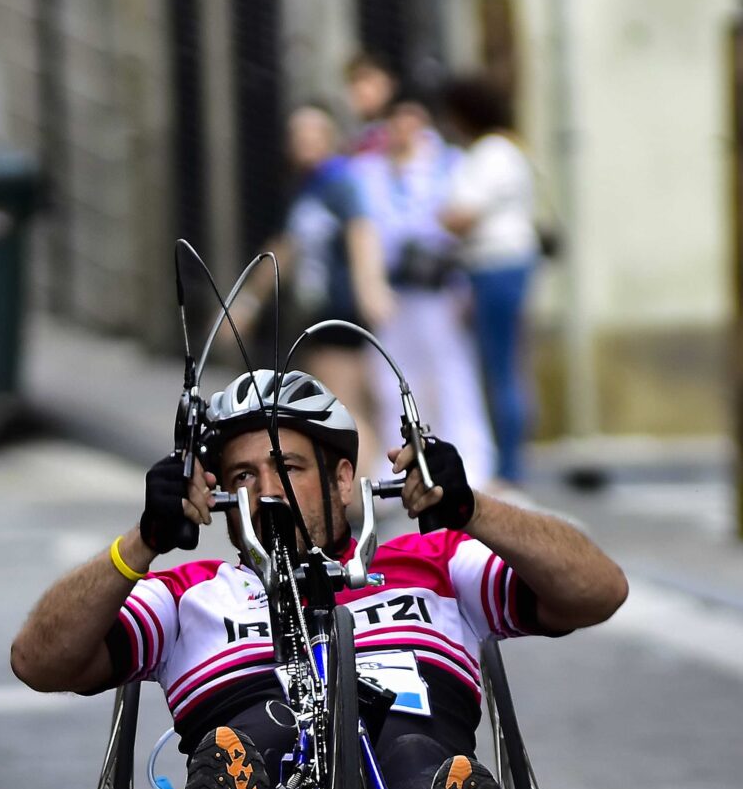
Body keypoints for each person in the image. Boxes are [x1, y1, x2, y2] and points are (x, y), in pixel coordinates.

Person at [8, 371, 625, 789]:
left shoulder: (434, 565)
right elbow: (39, 661)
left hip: (409, 758)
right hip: (258, 758)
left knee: (413, 752)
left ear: (341, 479)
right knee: (253, 745)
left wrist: (471, 510)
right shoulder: (189, 594)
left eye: (288, 468)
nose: (266, 492)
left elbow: (598, 591)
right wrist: (140, 542)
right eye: (244, 477)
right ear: (220, 496)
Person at [225, 103, 394, 462]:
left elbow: (361, 232)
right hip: (318, 311)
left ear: (331, 138)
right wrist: (247, 304)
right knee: (343, 398)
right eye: (298, 134)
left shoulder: (339, 182)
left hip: (341, 309)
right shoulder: (305, 188)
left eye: (314, 132)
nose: (305, 141)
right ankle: (369, 487)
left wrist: (370, 287)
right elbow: (282, 250)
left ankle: (365, 494)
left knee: (341, 401)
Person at [352, 95, 494, 474]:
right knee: (393, 379)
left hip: (439, 288)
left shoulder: (447, 164)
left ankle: (469, 460)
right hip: (397, 290)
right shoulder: (369, 170)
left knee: (450, 376)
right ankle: (398, 460)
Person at [438, 75, 542, 487]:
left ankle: (510, 465)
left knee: (501, 365)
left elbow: (463, 215)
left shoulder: (492, 153)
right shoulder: (503, 150)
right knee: (504, 364)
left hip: (497, 265)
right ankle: (509, 459)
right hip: (500, 265)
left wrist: (441, 216)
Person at [342, 51, 398, 158]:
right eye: (353, 81)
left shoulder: (407, 136)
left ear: (390, 84)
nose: (361, 89)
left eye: (368, 79)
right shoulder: (351, 141)